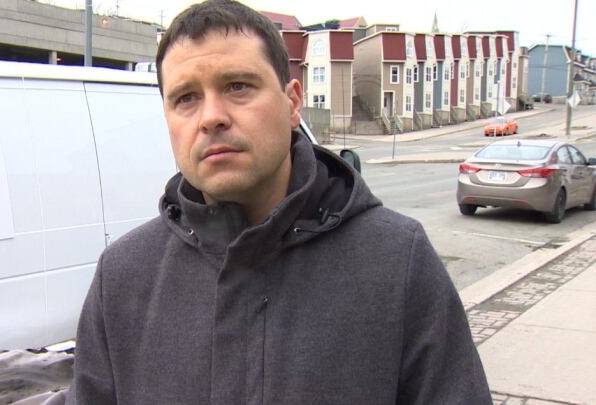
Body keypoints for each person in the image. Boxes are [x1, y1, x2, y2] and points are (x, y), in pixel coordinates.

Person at [69, 1, 491, 403]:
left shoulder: (397, 261)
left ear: (292, 102)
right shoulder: (122, 278)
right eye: (186, 98)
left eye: (237, 86)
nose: (210, 116)